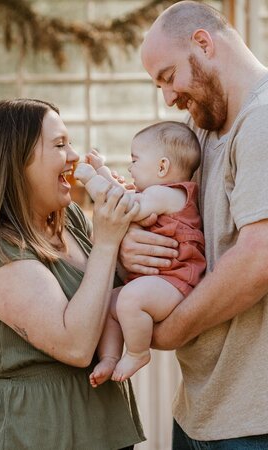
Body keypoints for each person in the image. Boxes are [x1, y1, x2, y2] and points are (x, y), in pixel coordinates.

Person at [119, 1, 268, 449]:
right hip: (211, 411)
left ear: (203, 43)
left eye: (168, 77)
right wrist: (133, 243)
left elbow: (261, 260)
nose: (168, 98)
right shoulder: (209, 128)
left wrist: (172, 331)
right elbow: (177, 217)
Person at [0, 98, 145, 450]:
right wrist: (108, 242)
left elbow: (116, 304)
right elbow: (76, 345)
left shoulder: (76, 224)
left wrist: (139, 222)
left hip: (106, 424)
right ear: (15, 161)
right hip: (39, 430)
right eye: (59, 145)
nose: (74, 156)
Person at [73, 121, 205, 386]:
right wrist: (102, 171)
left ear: (162, 167)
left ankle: (137, 352)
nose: (131, 167)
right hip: (161, 281)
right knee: (112, 302)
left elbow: (123, 205)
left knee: (130, 299)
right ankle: (110, 357)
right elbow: (124, 194)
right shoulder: (152, 193)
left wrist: (89, 178)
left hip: (177, 282)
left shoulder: (167, 194)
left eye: (135, 160)